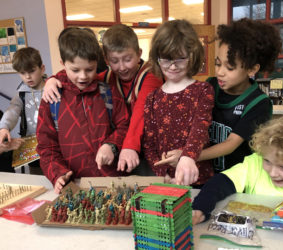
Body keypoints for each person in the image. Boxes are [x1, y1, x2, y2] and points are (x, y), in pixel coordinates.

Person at [155, 18, 282, 173]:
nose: (220, 72)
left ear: (252, 69)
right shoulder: (209, 86)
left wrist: (188, 155)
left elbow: (230, 144)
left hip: (237, 178)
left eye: (229, 67)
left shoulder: (258, 103)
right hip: (205, 174)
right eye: (217, 63)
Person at [42, 24, 163, 174]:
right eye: (115, 61)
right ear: (106, 60)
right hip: (123, 153)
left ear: (139, 54)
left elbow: (140, 115)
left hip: (150, 152)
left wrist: (129, 146)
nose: (122, 67)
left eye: (127, 59)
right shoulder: (106, 78)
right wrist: (52, 79)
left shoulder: (151, 77)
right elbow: (80, 79)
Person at [36, 27, 129, 194]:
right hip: (74, 185)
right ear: (63, 64)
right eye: (75, 70)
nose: (83, 76)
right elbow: (46, 146)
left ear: (98, 64)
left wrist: (111, 145)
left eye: (90, 69)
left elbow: (125, 125)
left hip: (112, 182)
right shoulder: (52, 99)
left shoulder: (107, 92)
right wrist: (57, 174)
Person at [143, 19, 215, 186]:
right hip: (167, 180)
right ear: (157, 59)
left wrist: (187, 156)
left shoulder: (203, 90)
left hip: (198, 178)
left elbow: (200, 129)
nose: (173, 67)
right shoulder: (152, 98)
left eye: (180, 59)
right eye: (166, 60)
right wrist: (162, 174)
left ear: (192, 56)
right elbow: (149, 144)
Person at [192, 115, 283, 225]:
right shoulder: (254, 164)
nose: (272, 173)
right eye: (267, 161)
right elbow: (219, 183)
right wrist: (201, 208)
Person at [0, 47, 46, 174]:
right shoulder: (21, 94)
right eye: (22, 73)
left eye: (31, 71)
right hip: (33, 151)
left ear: (42, 69)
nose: (27, 77)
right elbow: (12, 111)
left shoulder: (52, 88)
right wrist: (4, 127)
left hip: (55, 148)